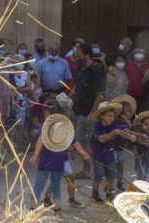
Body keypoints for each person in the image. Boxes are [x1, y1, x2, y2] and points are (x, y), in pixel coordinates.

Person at [30, 112, 90, 211]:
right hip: (59, 161)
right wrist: (83, 153)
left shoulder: (47, 129)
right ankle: (57, 211)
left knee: (39, 185)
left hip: (45, 161)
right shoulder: (65, 131)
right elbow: (75, 143)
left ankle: (33, 208)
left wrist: (35, 155)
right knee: (56, 185)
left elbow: (40, 141)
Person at [71, 43, 106, 179]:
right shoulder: (81, 69)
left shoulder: (96, 71)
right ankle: (87, 168)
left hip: (87, 112)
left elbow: (100, 94)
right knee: (78, 142)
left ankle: (87, 170)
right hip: (78, 109)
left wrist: (93, 113)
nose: (75, 58)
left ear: (87, 55)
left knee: (83, 143)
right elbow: (77, 88)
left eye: (78, 55)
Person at [90, 101, 126, 202]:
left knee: (111, 174)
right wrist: (113, 132)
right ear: (102, 116)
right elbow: (102, 139)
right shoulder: (98, 126)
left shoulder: (114, 125)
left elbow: (123, 131)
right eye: (109, 116)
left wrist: (130, 135)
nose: (112, 118)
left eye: (113, 116)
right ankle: (95, 192)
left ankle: (109, 192)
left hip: (109, 154)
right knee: (99, 174)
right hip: (99, 155)